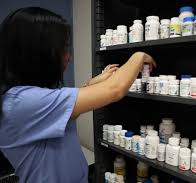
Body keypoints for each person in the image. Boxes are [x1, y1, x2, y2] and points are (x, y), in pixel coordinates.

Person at [0, 7, 156, 183]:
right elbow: (115, 90)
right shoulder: (21, 102)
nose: (69, 57)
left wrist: (94, 83)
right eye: (63, 48)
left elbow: (68, 108)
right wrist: (138, 56)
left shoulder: (22, 97)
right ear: (37, 52)